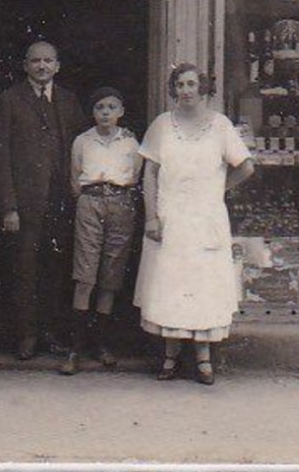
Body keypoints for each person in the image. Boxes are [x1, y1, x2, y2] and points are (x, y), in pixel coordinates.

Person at [134, 64, 255, 385]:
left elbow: (245, 167)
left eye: (192, 84)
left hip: (205, 217)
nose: (186, 90)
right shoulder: (162, 125)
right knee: (171, 284)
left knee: (203, 285)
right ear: (174, 89)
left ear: (203, 89)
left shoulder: (220, 126)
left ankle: (203, 359)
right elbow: (149, 173)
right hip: (170, 215)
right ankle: (170, 358)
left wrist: (217, 189)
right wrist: (151, 216)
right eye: (180, 84)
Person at [0, 40, 85, 360]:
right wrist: (9, 207)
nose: (42, 66)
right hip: (25, 205)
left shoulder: (70, 101)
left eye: (48, 61)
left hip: (61, 204)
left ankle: (50, 332)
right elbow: (0, 157)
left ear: (57, 65)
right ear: (25, 65)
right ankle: (26, 334)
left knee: (55, 269)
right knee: (24, 270)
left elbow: (83, 148)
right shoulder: (10, 99)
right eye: (35, 61)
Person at [59, 87, 143, 376]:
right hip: (90, 202)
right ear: (92, 112)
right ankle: (75, 349)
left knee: (111, 276)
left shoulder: (131, 143)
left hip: (121, 203)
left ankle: (101, 343)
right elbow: (74, 178)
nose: (105, 112)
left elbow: (134, 176)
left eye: (111, 107)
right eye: (99, 107)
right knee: (85, 275)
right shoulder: (82, 142)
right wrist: (90, 199)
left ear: (121, 112)